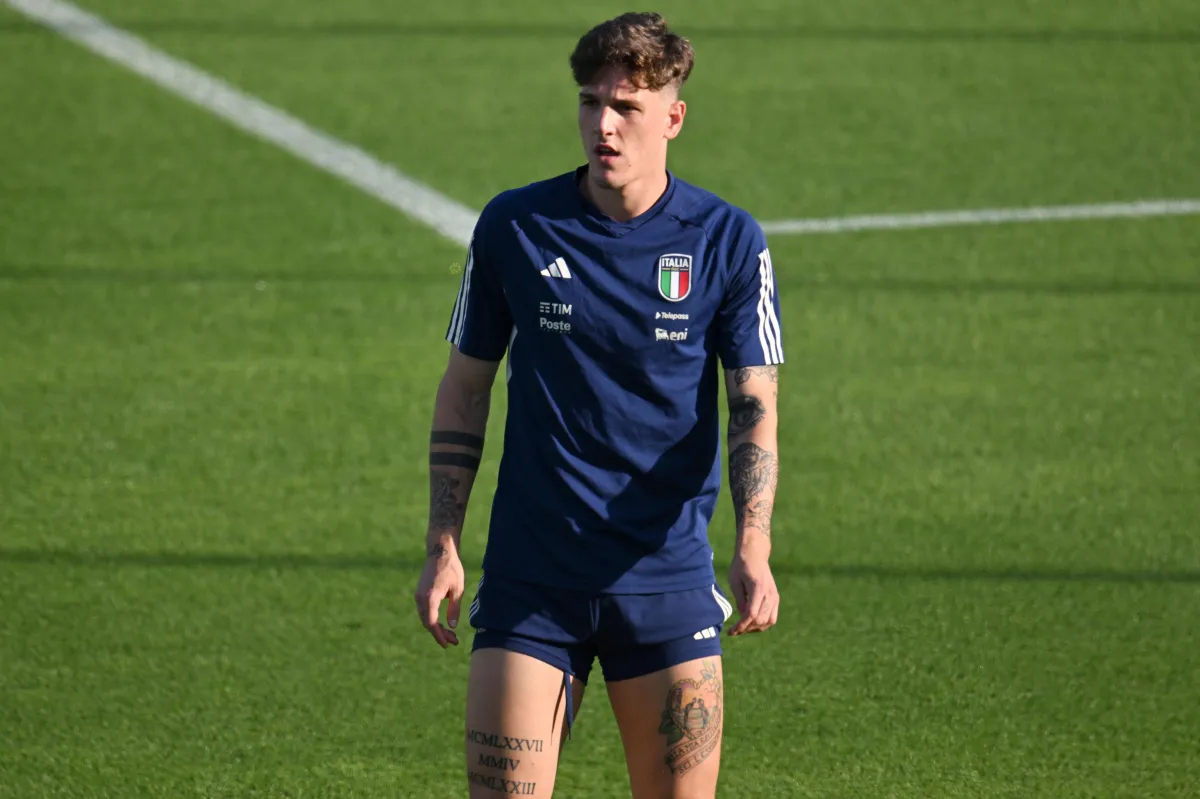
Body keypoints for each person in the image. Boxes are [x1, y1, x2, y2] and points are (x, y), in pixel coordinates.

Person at [414, 11, 784, 798]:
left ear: (673, 118)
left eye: (627, 107)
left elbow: (752, 404)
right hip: (532, 580)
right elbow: (465, 387)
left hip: (666, 580)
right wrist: (443, 539)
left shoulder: (727, 241)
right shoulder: (516, 226)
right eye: (591, 103)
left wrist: (753, 542)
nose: (603, 125)